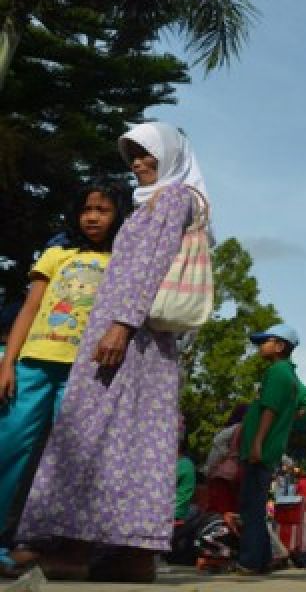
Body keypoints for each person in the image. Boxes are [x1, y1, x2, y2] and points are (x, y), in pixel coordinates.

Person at [14, 122, 208, 583]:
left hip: (128, 336)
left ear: (172, 156)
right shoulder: (160, 201)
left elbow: (151, 263)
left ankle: (75, 547)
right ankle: (132, 555)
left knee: (92, 433)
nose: (139, 164)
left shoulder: (174, 198)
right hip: (136, 338)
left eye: (148, 155)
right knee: (132, 442)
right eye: (133, 157)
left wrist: (121, 324)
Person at [0, 185, 125, 567]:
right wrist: (8, 362)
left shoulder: (123, 258)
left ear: (118, 215)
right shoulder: (56, 254)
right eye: (86, 209)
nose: (92, 217)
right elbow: (31, 306)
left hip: (85, 372)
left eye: (103, 210)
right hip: (34, 363)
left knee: (69, 461)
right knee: (10, 448)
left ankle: (52, 544)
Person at [236, 323, 304, 575]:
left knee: (251, 507)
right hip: (270, 448)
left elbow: (269, 410)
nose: (260, 346)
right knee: (256, 506)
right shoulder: (290, 376)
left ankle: (249, 561)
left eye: (265, 341)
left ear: (279, 346)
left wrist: (257, 443)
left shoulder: (277, 373)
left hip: (261, 450)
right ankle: (263, 558)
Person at [203, 404, 248, 515]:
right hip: (229, 477)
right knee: (227, 514)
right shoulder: (241, 428)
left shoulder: (230, 430)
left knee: (221, 513)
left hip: (221, 475)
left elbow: (217, 447)